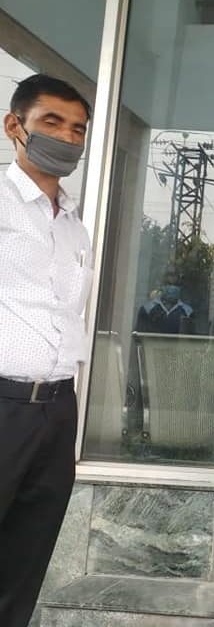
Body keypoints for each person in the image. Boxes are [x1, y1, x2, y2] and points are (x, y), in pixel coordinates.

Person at [0, 74, 93, 627]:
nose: (66, 138)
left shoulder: (75, 226)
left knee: (24, 561)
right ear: (15, 126)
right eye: (51, 123)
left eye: (77, 129)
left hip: (57, 408)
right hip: (3, 403)